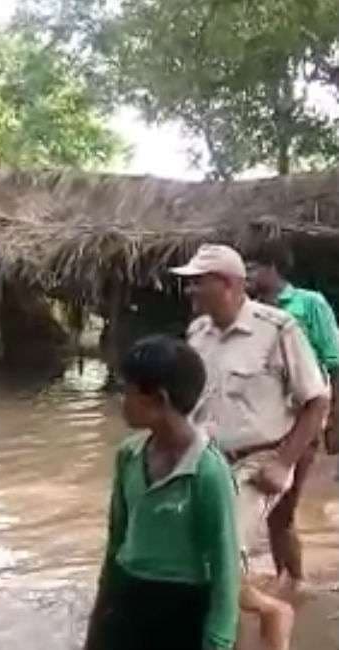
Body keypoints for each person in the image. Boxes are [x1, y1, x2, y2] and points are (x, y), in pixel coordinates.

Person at [171, 244, 329, 650]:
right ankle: (243, 618)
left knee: (222, 548)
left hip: (259, 459)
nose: (190, 290)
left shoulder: (279, 328)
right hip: (207, 458)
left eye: (197, 282)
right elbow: (191, 405)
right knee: (185, 544)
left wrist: (283, 462)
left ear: (227, 283)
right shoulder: (197, 333)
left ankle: (261, 620)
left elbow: (316, 400)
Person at [84, 335, 240, 650]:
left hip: (182, 606)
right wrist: (99, 619)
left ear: (160, 399)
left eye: (128, 392)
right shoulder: (129, 456)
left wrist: (218, 641)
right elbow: (117, 542)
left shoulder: (207, 471)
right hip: (128, 598)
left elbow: (225, 566)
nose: (121, 402)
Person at [248, 241, 339, 592]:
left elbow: (334, 362)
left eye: (253, 267)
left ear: (272, 268)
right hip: (263, 423)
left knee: (282, 513)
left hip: (302, 419)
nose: (249, 275)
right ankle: (286, 580)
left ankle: (295, 585)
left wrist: (334, 423)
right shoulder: (251, 311)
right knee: (273, 514)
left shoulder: (309, 304)